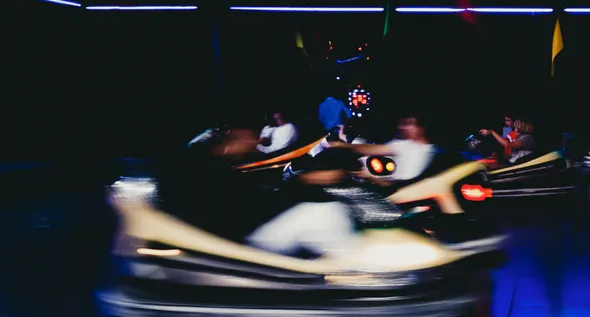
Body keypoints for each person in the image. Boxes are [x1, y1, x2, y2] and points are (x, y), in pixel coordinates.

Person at [156, 128, 356, 256]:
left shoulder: (219, 172)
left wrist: (301, 181)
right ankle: (356, 271)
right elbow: (242, 202)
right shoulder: (209, 173)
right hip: (249, 241)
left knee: (321, 212)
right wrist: (303, 181)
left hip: (251, 231)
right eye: (244, 138)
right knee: (325, 213)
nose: (252, 142)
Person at [336, 113, 438, 182]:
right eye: (401, 124)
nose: (401, 127)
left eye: (407, 124)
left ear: (420, 127)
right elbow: (372, 149)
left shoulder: (433, 152)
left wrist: (342, 145)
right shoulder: (404, 144)